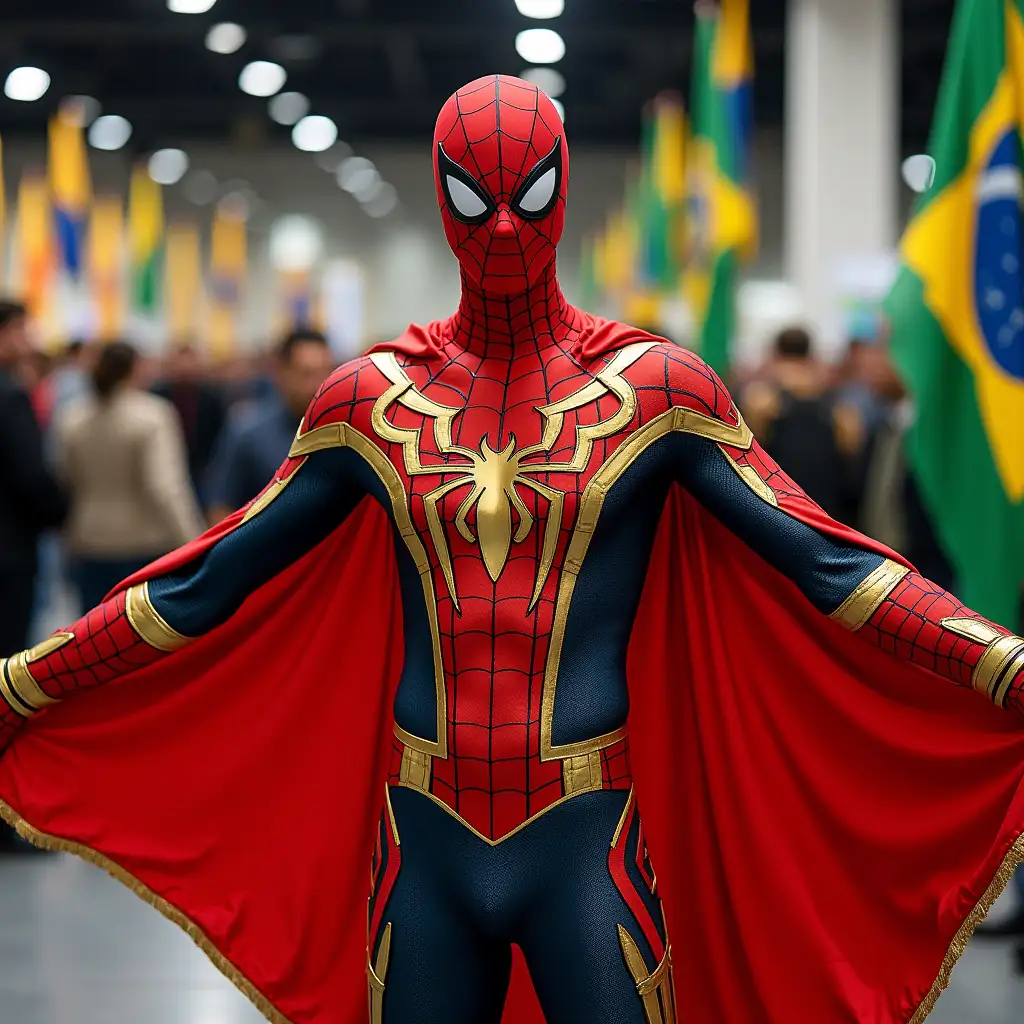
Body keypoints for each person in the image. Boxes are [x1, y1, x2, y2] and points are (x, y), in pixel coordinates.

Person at [2, 77, 1024, 1024]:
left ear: (565, 192)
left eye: (528, 194)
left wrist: (1001, 665)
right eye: (471, 194)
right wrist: (29, 683)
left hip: (585, 825)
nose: (500, 224)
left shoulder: (654, 390)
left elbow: (827, 559)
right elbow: (210, 576)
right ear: (440, 202)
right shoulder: (372, 400)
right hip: (423, 828)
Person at [53, 341, 204, 610]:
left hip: (89, 540)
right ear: (136, 369)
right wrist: (193, 541)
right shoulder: (153, 415)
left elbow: (64, 477)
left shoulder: (72, 417)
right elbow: (165, 487)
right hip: (143, 546)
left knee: (93, 638)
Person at [204, 327, 334, 521]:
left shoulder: (342, 433)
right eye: (306, 374)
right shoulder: (248, 431)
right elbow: (221, 506)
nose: (317, 385)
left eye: (325, 373)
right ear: (281, 373)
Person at [740, 326, 861, 522]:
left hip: (781, 509)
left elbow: (749, 457)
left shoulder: (760, 402)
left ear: (776, 354)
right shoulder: (839, 408)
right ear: (810, 355)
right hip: (825, 512)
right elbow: (851, 454)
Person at [0, 300, 67, 657]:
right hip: (8, 554)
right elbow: (32, 478)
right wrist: (61, 513)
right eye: (23, 332)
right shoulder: (10, 396)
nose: (28, 342)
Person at [150, 343, 226, 507]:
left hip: (202, 470)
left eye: (190, 362)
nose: (185, 368)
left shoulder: (212, 397)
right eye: (181, 362)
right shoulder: (158, 395)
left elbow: (220, 434)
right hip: (166, 466)